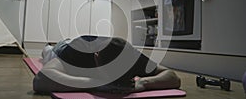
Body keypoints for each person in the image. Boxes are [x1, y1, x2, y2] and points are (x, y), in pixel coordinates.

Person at [33, 35, 181, 94]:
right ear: (96, 57)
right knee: (48, 52)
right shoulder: (78, 51)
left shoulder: (131, 56)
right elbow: (41, 80)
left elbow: (172, 76)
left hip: (97, 41)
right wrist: (96, 83)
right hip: (65, 46)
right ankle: (48, 46)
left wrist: (145, 82)